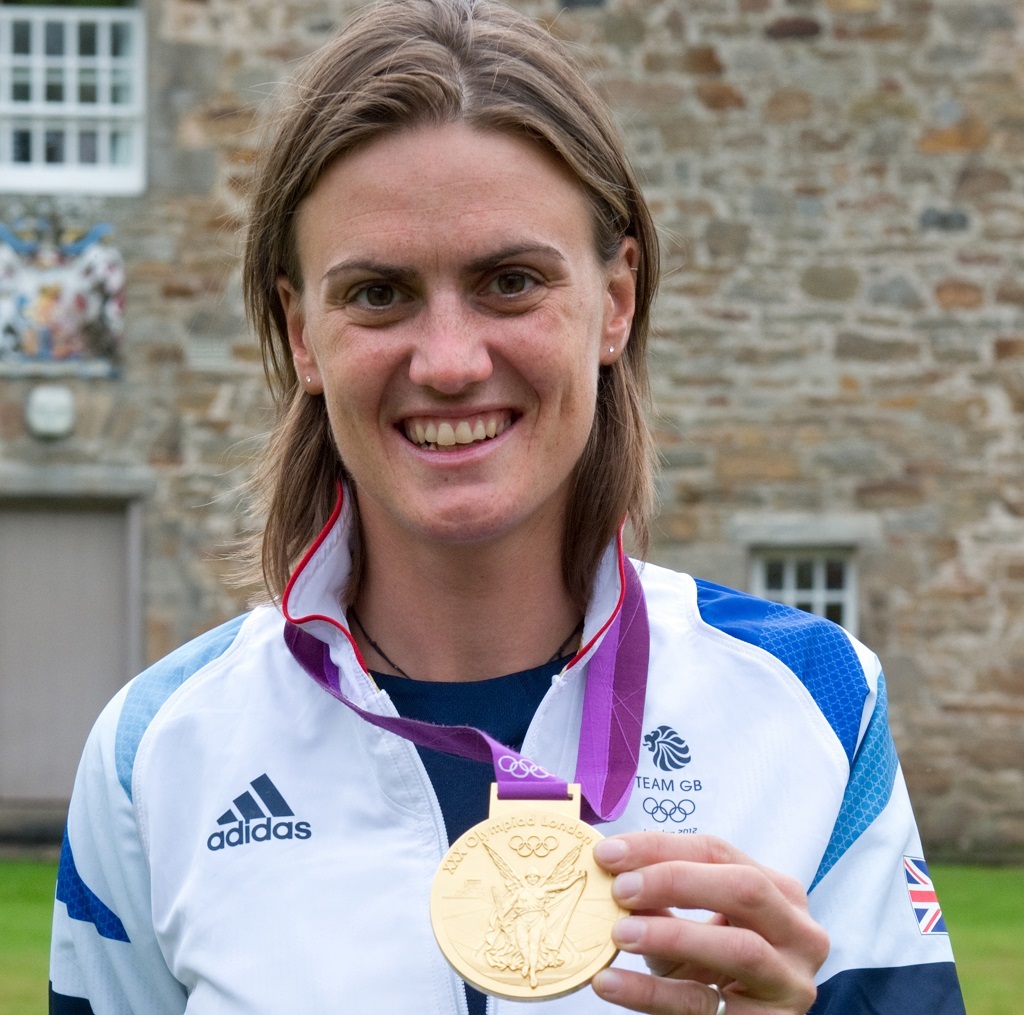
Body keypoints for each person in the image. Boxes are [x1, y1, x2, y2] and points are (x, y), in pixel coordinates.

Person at [49, 2, 965, 1013]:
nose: (448, 362)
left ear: (615, 302)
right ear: (299, 330)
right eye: (377, 294)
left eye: (510, 281)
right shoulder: (156, 753)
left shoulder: (817, 706)